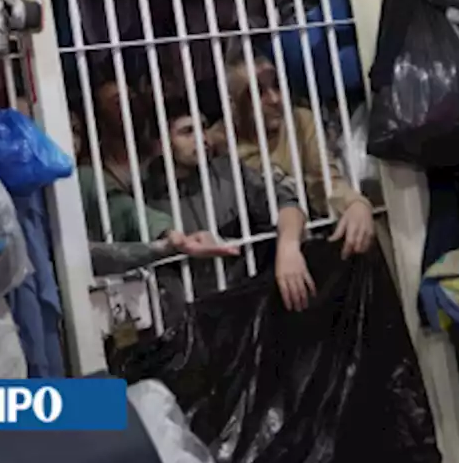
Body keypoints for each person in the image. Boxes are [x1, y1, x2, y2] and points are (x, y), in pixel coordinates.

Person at [76, 72, 237, 317]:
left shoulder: (228, 173)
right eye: (116, 101)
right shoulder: (125, 184)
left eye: (130, 97)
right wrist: (170, 239)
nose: (201, 139)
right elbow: (127, 215)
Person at [143, 94, 312, 310]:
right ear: (160, 144)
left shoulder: (229, 172)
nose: (202, 138)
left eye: (203, 128)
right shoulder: (145, 197)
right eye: (187, 132)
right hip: (190, 316)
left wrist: (289, 247)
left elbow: (286, 202)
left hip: (248, 304)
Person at [218, 48, 375, 262]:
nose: (274, 99)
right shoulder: (220, 142)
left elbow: (325, 182)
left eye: (277, 86)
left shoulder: (299, 122)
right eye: (258, 92)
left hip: (306, 243)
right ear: (234, 104)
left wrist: (355, 203)